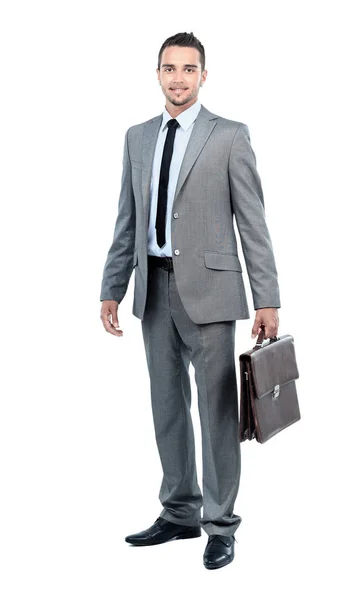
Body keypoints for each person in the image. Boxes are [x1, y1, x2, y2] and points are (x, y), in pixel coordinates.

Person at [100, 31, 280, 570]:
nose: (178, 77)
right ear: (157, 74)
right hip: (153, 288)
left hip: (212, 292)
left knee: (218, 410)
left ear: (204, 76)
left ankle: (220, 524)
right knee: (167, 407)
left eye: (188, 68)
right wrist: (113, 285)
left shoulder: (228, 136)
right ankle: (179, 511)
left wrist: (267, 298)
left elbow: (253, 222)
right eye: (169, 68)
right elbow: (126, 219)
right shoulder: (136, 138)